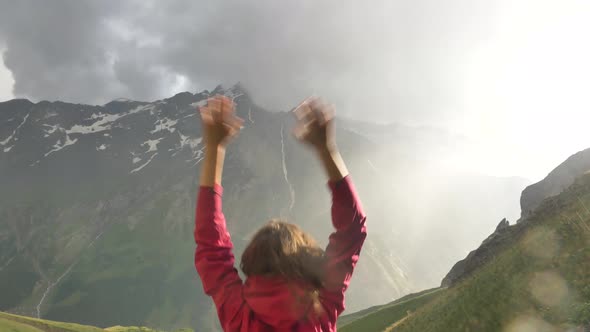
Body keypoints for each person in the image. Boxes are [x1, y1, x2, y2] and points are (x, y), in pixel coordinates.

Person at [194, 95, 367, 331]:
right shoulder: (321, 308)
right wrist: (327, 150)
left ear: (253, 263)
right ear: (307, 260)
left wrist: (214, 148)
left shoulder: (240, 316)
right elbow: (353, 229)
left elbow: (211, 247)